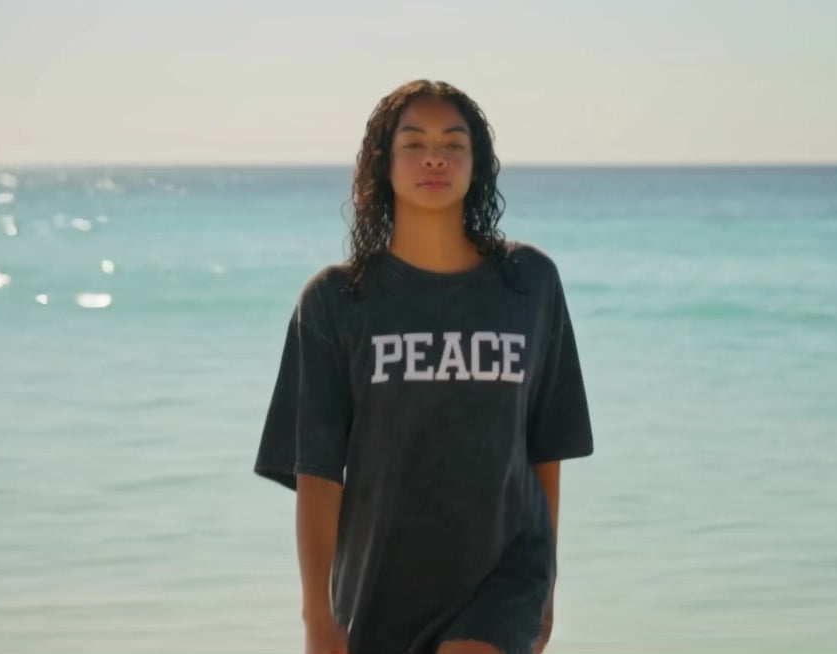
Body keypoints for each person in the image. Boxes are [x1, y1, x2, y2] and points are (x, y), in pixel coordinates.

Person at [254, 79, 594, 654]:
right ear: (383, 164)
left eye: (453, 144)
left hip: (506, 574)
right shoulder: (337, 301)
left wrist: (546, 584)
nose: (435, 157)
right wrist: (318, 617)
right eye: (414, 143)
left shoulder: (530, 285)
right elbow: (317, 472)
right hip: (382, 582)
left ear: (476, 164)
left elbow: (547, 445)